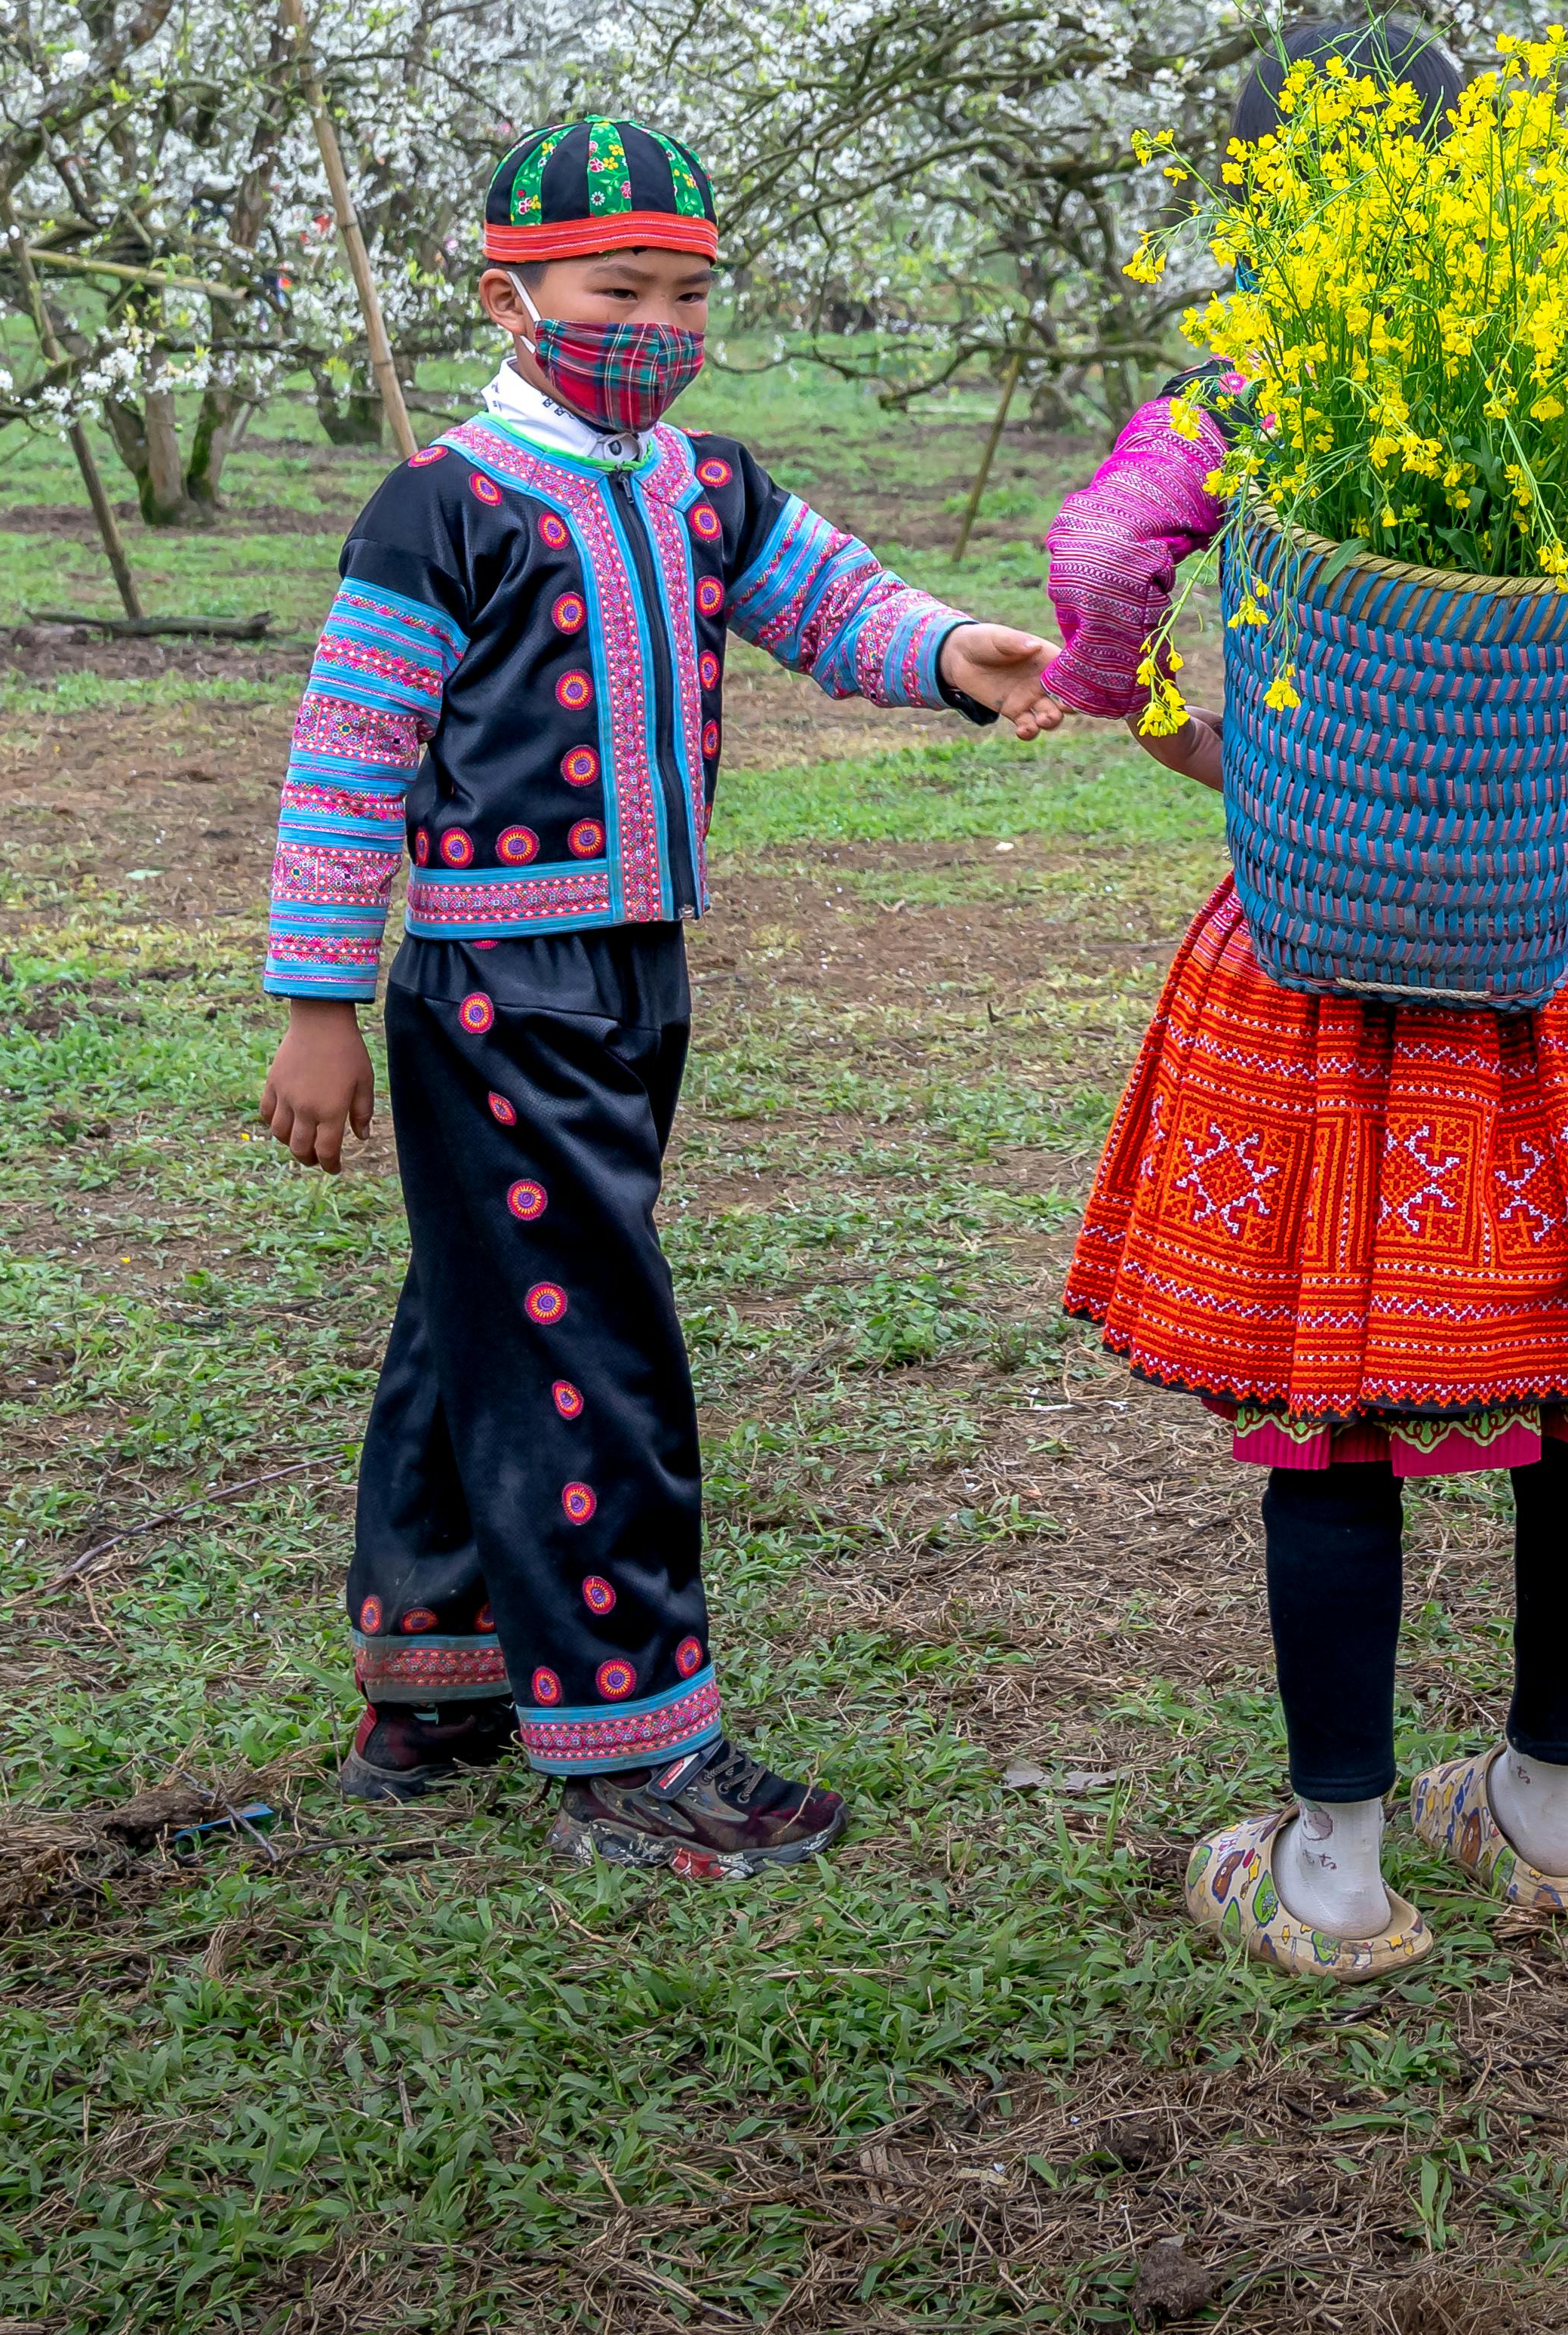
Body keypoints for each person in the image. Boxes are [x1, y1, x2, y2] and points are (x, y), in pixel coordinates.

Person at [1011, 14, 1568, 1980]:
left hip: (1337, 945)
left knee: (1337, 1411)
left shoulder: (1257, 376)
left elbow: (1109, 553)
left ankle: (1334, 1874)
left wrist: (1171, 730)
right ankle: (1550, 1813)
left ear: (1269, 212)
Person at [255, 112, 1059, 1877]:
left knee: (486, 1306)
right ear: (513, 294)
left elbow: (830, 605)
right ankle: (632, 1745)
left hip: (638, 968)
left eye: (688, 294)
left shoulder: (706, 486)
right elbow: (347, 763)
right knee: (584, 1341)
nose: (660, 325)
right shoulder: (443, 507)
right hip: (491, 982)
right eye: (621, 289)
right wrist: (319, 997)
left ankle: (440, 1678)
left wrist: (949, 652)